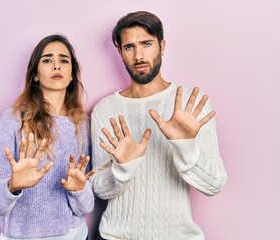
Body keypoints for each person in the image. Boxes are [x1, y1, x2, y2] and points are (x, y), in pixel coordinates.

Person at [89, 11, 227, 240]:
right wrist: (123, 168)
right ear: (120, 53)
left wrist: (186, 146)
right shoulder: (105, 109)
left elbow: (214, 184)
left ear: (162, 46)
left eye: (146, 43)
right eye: (129, 47)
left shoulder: (190, 103)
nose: (139, 55)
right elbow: (98, 189)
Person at [0, 34, 95, 240]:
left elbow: (86, 205)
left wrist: (79, 190)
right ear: (36, 75)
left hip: (76, 235)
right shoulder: (13, 120)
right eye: (47, 60)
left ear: (71, 75)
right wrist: (12, 186)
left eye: (64, 61)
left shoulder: (83, 124)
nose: (56, 66)